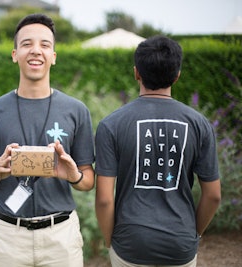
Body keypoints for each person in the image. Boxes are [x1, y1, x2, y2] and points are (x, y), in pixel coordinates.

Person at [0, 13, 95, 267]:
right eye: (27, 44)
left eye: (45, 45)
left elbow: (88, 181)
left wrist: (74, 175)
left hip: (60, 237)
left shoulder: (76, 110)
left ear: (54, 57)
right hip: (7, 236)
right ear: (14, 54)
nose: (36, 51)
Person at [95, 35, 221, 267]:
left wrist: (109, 241)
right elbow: (213, 195)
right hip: (180, 243)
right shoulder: (199, 124)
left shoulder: (111, 124)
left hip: (130, 244)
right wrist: (193, 235)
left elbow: (104, 199)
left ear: (136, 73)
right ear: (177, 75)